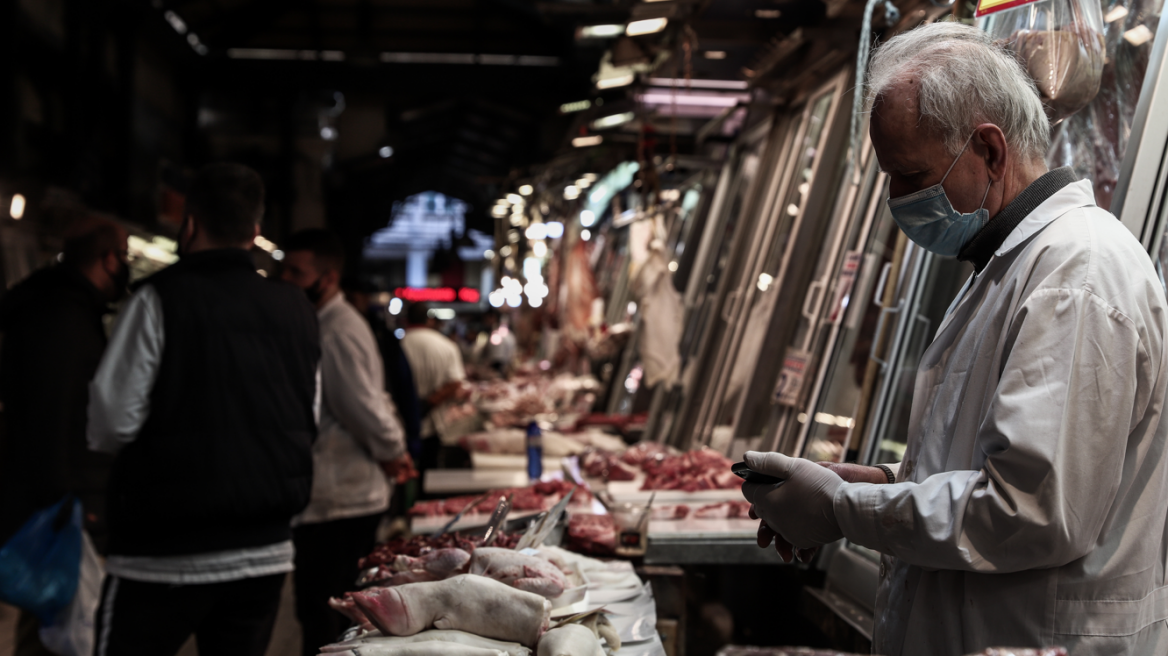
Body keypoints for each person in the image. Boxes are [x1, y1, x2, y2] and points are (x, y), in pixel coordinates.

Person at [742, 22, 1168, 656]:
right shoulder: (1007, 265)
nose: (897, 199)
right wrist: (884, 482)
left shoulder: (1076, 273)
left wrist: (843, 509)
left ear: (990, 152)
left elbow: (1029, 512)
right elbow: (995, 465)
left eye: (910, 175)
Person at [87, 163, 320, 656]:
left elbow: (110, 422)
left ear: (188, 224)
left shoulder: (158, 300)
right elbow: (308, 418)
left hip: (163, 553)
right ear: (255, 232)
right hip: (264, 552)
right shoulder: (296, 308)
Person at [280, 229, 413, 656]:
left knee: (327, 616)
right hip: (334, 495)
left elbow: (365, 408)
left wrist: (394, 452)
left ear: (329, 277)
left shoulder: (335, 330)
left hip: (341, 498)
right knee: (326, 612)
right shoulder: (321, 323)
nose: (286, 279)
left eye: (296, 272)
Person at [0, 218, 129, 656]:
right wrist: (71, 504)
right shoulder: (65, 319)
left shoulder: (50, 306)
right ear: (108, 259)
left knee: (51, 617)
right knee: (56, 622)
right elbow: (54, 415)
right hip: (60, 504)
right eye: (124, 256)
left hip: (43, 495)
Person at [341, 277, 422, 462]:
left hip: (382, 436)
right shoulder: (352, 331)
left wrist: (402, 443)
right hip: (370, 439)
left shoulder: (382, 337)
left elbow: (401, 388)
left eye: (351, 299)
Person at [399, 301, 466, 470]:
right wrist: (429, 403)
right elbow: (455, 383)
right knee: (429, 473)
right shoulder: (446, 345)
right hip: (434, 425)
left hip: (400, 423)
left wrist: (418, 407)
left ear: (406, 320)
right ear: (428, 320)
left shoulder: (398, 345)